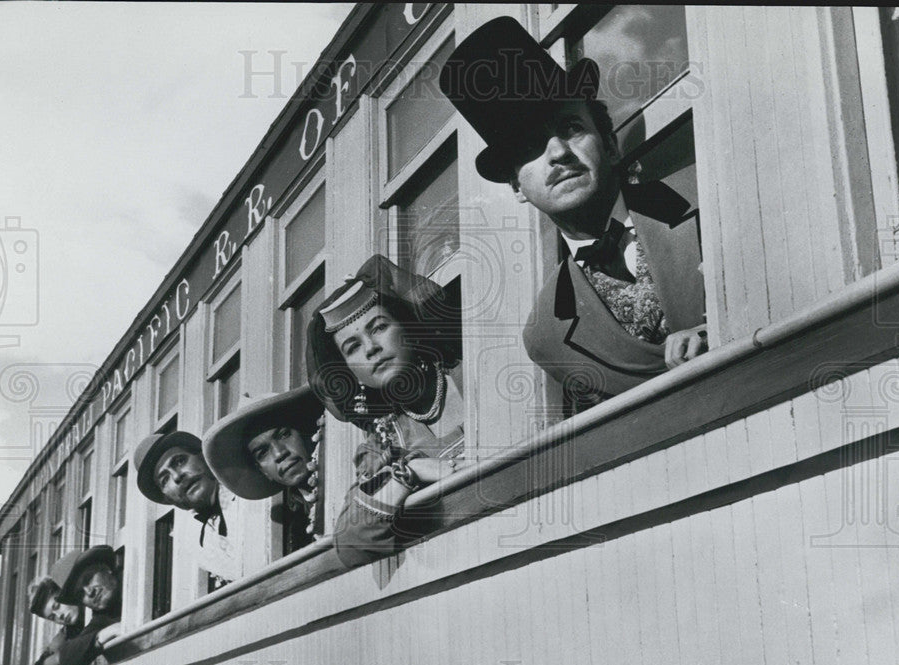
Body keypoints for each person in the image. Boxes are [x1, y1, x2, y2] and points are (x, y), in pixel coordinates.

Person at [440, 16, 707, 408]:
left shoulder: (704, 194)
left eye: (570, 128)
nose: (559, 153)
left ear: (610, 146)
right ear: (517, 187)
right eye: (530, 146)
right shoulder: (546, 333)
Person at [307, 254, 464, 568]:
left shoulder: (470, 374)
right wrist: (411, 472)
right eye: (352, 347)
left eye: (378, 327)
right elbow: (351, 545)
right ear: (350, 371)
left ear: (407, 328)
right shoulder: (383, 440)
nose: (370, 348)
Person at [203, 386, 325, 551]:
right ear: (262, 471)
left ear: (304, 432)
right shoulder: (293, 528)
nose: (279, 453)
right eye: (262, 453)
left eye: (284, 435)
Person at [133, 430, 242, 588]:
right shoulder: (190, 540)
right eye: (165, 479)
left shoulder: (245, 490)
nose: (177, 476)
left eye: (179, 461)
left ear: (202, 456)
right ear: (167, 498)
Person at [47, 546, 122, 665]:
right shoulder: (102, 618)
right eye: (80, 594)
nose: (89, 592)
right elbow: (68, 656)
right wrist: (100, 636)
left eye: (88, 579)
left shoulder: (137, 572)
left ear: (106, 568)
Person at [26, 575, 84, 665]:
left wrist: (56, 659)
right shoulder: (67, 632)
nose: (59, 616)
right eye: (52, 617)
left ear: (65, 592)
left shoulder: (92, 604)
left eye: (57, 606)